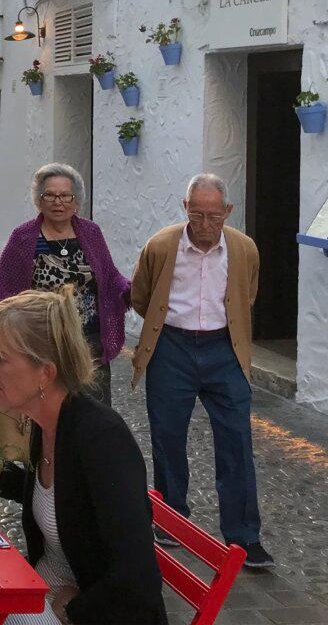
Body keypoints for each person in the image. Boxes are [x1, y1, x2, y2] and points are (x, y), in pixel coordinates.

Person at [0, 288, 166, 625]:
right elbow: (66, 500)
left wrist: (73, 611)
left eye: (1, 357)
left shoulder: (101, 438)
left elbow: (138, 577)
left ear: (45, 374)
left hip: (91, 612)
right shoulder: (46, 423)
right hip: (43, 587)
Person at [131, 173, 272, 567]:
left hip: (225, 348)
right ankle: (172, 521)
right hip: (171, 347)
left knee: (237, 441)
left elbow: (249, 294)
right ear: (185, 208)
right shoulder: (161, 246)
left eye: (214, 216)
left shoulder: (244, 249)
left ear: (227, 211)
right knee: (167, 437)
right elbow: (141, 296)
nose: (206, 225)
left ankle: (244, 537)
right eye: (198, 215)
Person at [0, 163, 129, 405]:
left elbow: (110, 277)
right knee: (47, 407)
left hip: (88, 343)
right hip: (43, 344)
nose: (58, 202)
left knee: (92, 410)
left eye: (65, 195)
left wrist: (134, 290)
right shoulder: (23, 238)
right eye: (50, 195)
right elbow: (2, 291)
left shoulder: (91, 233)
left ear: (76, 201)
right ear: (39, 201)